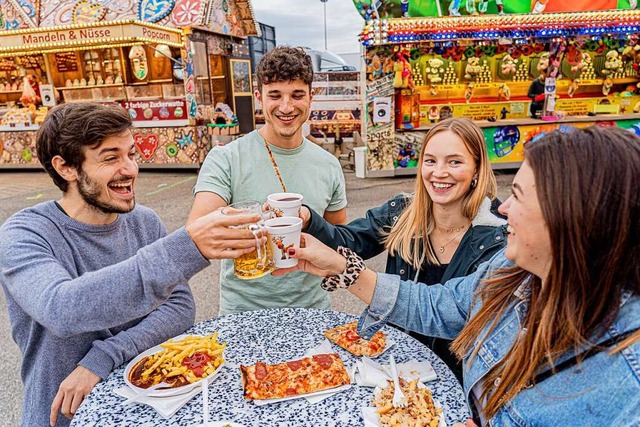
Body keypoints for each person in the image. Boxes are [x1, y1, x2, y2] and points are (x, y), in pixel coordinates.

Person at [275, 125, 640, 425]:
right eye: (430, 160)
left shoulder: (626, 387)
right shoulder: (515, 271)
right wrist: (338, 264)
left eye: (520, 195)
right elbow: (442, 305)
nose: (506, 208)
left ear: (578, 219)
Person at [0, 102, 264, 427]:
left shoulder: (145, 222)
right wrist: (187, 246)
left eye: (132, 154)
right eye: (111, 158)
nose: (130, 169)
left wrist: (105, 356)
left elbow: (179, 307)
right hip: (64, 416)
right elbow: (61, 308)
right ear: (66, 167)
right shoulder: (25, 233)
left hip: (145, 407)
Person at [300, 117, 506, 381]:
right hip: (399, 367)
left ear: (477, 169)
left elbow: (449, 312)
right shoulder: (402, 213)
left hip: (459, 377)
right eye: (430, 161)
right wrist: (309, 219)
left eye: (454, 162)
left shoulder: (497, 238)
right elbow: (347, 241)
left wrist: (348, 272)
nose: (439, 172)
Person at [188, 46, 347, 315]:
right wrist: (248, 225)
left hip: (313, 312)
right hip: (243, 314)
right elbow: (197, 231)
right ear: (259, 97)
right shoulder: (227, 158)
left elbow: (341, 238)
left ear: (312, 97)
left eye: (297, 95)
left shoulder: (329, 164)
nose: (286, 107)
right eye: (275, 95)